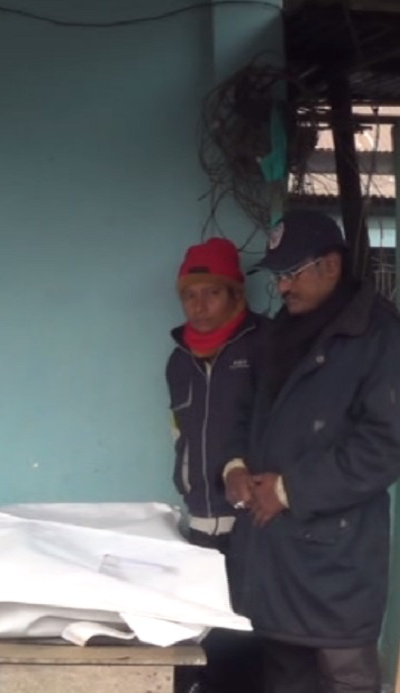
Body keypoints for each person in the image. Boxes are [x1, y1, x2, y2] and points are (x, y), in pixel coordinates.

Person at [224, 210, 400, 693]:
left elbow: (387, 445)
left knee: (345, 679)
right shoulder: (281, 331)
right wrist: (235, 467)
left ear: (331, 266)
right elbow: (247, 410)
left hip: (337, 562)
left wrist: (290, 490)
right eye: (278, 276)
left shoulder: (378, 336)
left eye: (292, 273)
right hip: (273, 554)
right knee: (284, 679)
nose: (282, 287)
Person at [165, 236, 265, 693]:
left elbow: (279, 426)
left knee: (247, 635)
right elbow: (180, 430)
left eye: (211, 293)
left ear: (235, 294)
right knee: (201, 632)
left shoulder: (265, 345)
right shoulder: (179, 360)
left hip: (254, 518)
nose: (199, 305)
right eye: (190, 295)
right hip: (202, 520)